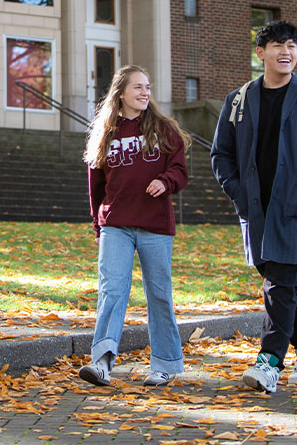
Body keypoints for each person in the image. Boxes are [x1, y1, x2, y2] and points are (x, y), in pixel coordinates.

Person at [211, 20, 297, 393]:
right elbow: (220, 154)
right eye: (277, 46)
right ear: (260, 53)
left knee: (279, 285)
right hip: (254, 210)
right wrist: (237, 192)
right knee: (283, 286)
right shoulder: (238, 100)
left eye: (292, 46)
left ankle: (269, 361)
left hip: (293, 209)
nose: (286, 52)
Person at [79, 65, 190, 388]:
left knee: (158, 294)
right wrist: (98, 225)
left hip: (154, 224)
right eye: (138, 87)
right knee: (112, 291)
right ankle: (101, 362)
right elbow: (95, 186)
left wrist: (165, 181)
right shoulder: (106, 132)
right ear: (121, 93)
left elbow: (180, 171)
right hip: (115, 224)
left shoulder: (164, 129)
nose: (145, 92)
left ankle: (166, 363)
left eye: (147, 86)